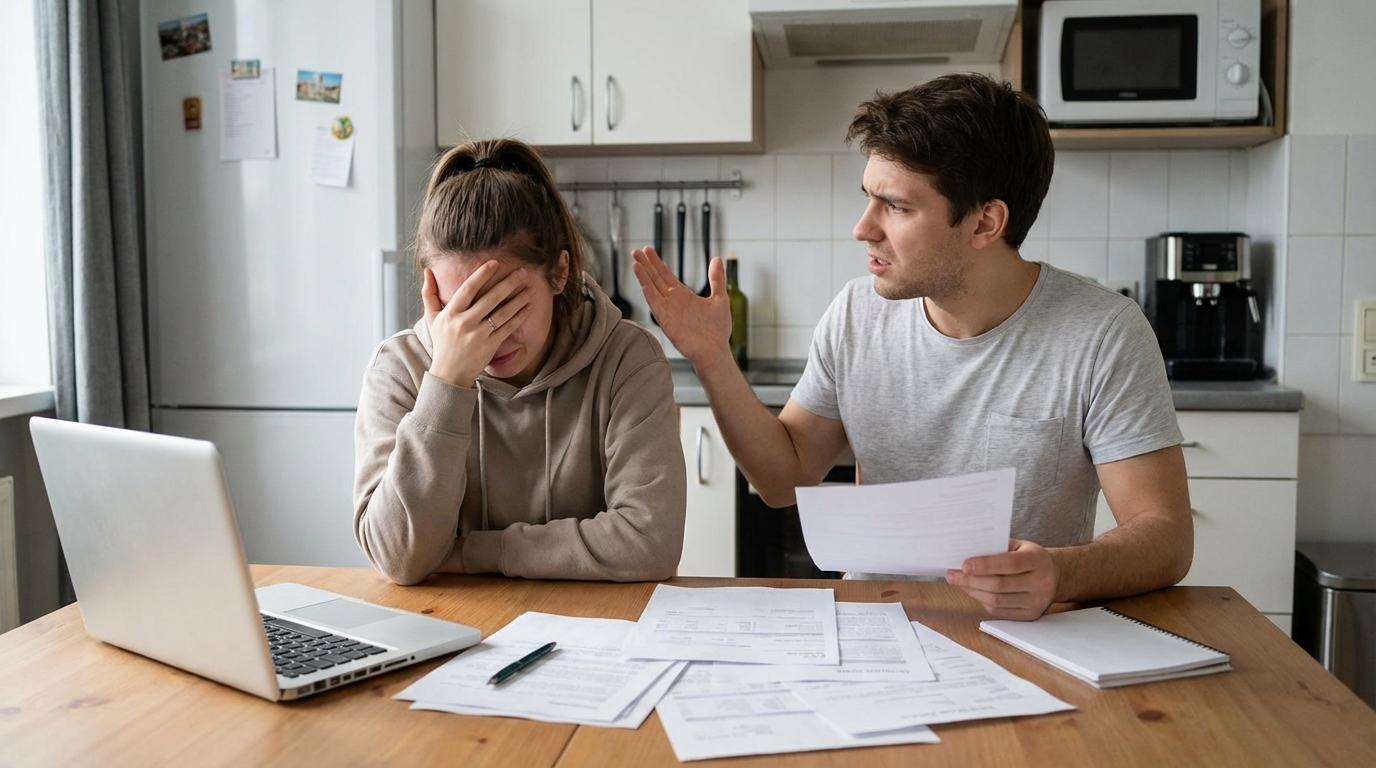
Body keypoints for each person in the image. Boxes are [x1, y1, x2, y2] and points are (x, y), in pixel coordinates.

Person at [633, 73, 1192, 621]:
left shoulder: (1102, 334)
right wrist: (712, 359)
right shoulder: (855, 314)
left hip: (1027, 637)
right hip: (872, 625)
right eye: (868, 199)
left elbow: (1165, 538)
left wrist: (1061, 572)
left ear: (984, 223)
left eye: (895, 206)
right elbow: (783, 481)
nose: (862, 228)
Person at [354, 138, 686, 586]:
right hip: (452, 629)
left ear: (559, 272)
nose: (487, 338)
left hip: (595, 628)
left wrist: (474, 551)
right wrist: (447, 381)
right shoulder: (398, 370)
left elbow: (651, 544)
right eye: (463, 311)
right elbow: (398, 559)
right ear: (432, 294)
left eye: (507, 305)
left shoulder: (628, 360)